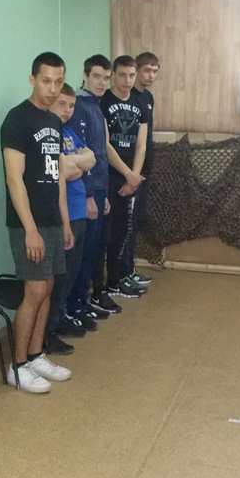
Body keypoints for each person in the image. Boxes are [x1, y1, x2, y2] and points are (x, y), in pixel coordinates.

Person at [1, 52, 75, 393]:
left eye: (58, 82)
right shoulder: (17, 119)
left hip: (52, 220)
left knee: (47, 287)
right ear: (32, 80)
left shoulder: (54, 122)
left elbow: (56, 175)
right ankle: (17, 367)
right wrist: (30, 230)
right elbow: (14, 179)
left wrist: (65, 222)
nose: (52, 88)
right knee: (33, 291)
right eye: (46, 81)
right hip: (27, 224)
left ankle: (35, 355)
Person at [43, 83, 96, 356]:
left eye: (71, 105)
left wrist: (74, 162)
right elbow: (64, 171)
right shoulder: (48, 135)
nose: (67, 110)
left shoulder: (69, 133)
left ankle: (61, 318)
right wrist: (76, 163)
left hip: (78, 212)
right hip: (64, 216)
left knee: (72, 275)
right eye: (62, 104)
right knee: (59, 278)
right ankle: (47, 332)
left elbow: (91, 159)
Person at [67, 55, 120, 320]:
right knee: (83, 253)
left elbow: (99, 153)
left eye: (106, 78)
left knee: (94, 250)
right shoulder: (79, 106)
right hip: (85, 192)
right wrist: (88, 195)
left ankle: (81, 302)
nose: (102, 82)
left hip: (99, 189)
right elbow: (78, 155)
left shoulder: (96, 106)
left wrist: (104, 194)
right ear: (85, 76)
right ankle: (73, 307)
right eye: (97, 76)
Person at [101, 55, 149, 299]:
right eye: (122, 75)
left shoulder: (140, 103)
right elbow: (105, 144)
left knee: (125, 230)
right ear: (114, 75)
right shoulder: (104, 102)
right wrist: (127, 174)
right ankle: (109, 282)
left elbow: (141, 144)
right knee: (109, 232)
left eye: (131, 75)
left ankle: (120, 276)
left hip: (131, 178)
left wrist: (135, 176)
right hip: (112, 175)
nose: (127, 80)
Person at [128, 51, 161, 288]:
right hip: (129, 170)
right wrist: (130, 172)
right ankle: (122, 271)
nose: (151, 75)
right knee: (126, 223)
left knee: (137, 220)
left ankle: (128, 268)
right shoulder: (128, 97)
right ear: (137, 70)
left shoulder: (148, 97)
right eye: (147, 70)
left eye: (155, 71)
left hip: (144, 169)